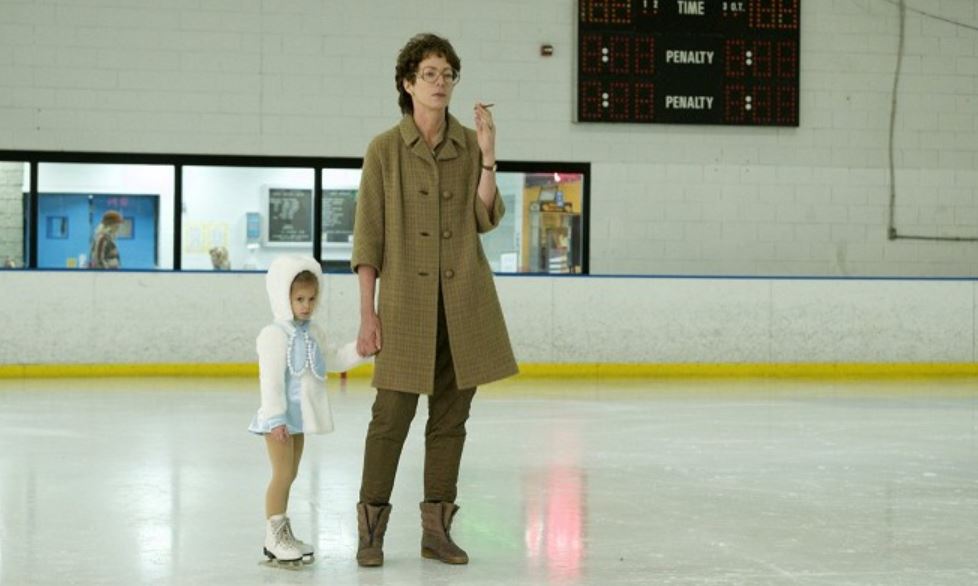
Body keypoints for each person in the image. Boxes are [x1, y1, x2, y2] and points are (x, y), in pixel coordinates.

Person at [351, 32, 518, 567]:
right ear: (408, 83)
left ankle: (436, 533)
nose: (440, 82)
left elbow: (484, 218)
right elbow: (368, 239)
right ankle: (371, 532)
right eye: (429, 74)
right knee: (389, 421)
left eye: (447, 74)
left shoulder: (468, 144)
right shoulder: (384, 149)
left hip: (464, 306)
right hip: (404, 309)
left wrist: (488, 158)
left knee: (450, 423)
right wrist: (367, 313)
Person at [248, 255, 370, 565]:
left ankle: (282, 532)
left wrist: (361, 350)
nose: (306, 306)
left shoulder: (313, 331)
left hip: (299, 419)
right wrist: (275, 418)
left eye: (312, 299)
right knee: (281, 474)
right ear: (283, 297)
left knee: (291, 474)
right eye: (299, 299)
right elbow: (270, 381)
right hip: (279, 420)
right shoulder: (274, 335)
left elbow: (334, 359)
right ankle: (274, 536)